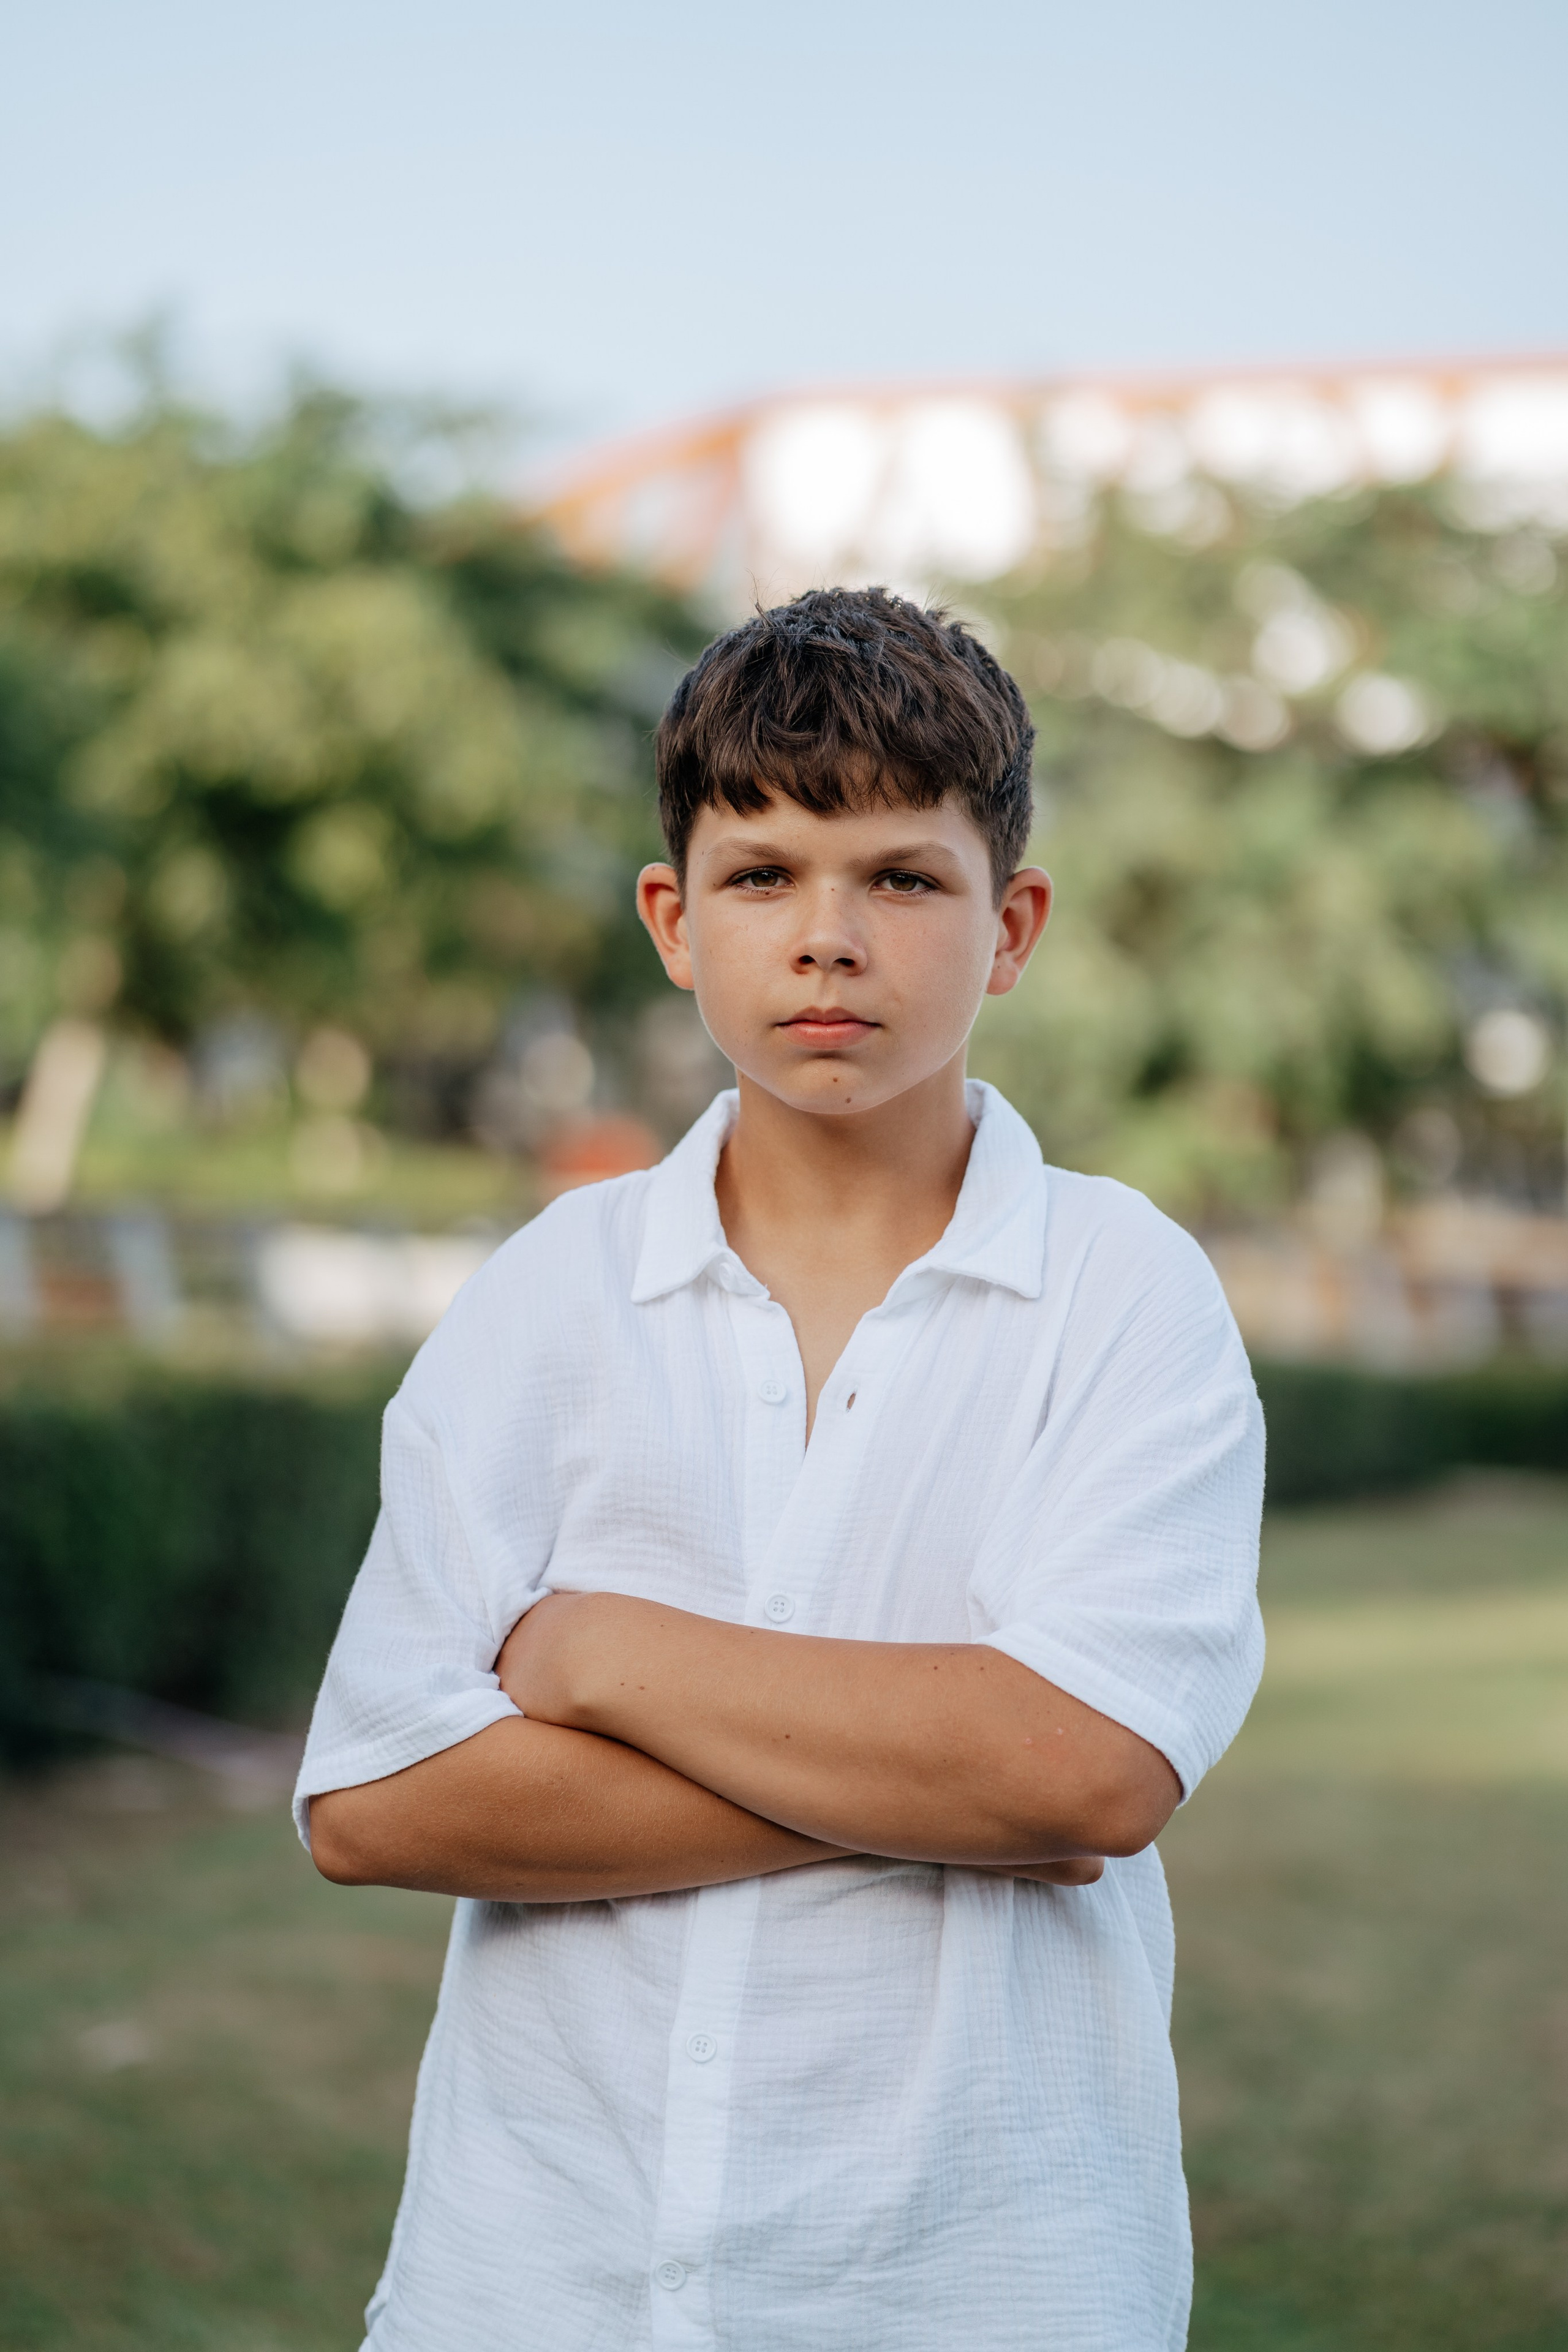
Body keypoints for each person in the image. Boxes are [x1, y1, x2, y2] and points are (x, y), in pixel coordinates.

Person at [299, 587, 1265, 2352]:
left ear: (1014, 922)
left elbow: (1087, 1775)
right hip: (536, 2284)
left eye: (903, 878)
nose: (830, 939)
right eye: (764, 877)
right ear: (674, 919)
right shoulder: (547, 1298)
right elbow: (377, 1803)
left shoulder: (1127, 1293)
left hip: (984, 2285)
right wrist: (953, 1791)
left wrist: (603, 1661)